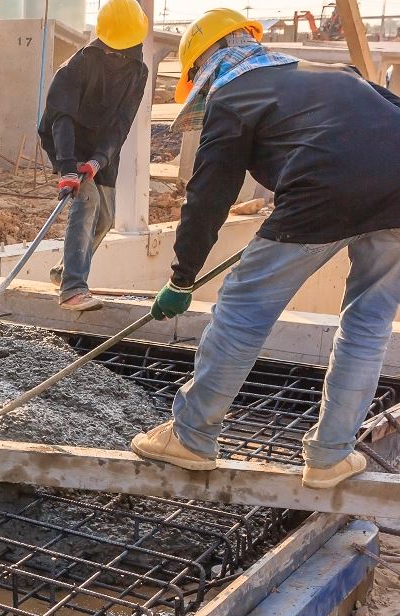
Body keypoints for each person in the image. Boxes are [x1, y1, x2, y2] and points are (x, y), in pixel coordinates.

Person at [130, 9, 400, 489]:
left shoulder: (232, 96)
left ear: (205, 65)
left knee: (242, 309)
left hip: (323, 192)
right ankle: (331, 457)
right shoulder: (333, 75)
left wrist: (182, 278)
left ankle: (191, 437)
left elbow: (208, 196)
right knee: (368, 323)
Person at [37, 0, 149, 313]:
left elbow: (122, 122)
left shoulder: (138, 70)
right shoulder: (78, 65)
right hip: (67, 139)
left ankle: (63, 271)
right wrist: (68, 168)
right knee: (86, 202)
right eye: (114, 49)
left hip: (102, 144)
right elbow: (62, 119)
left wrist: (100, 159)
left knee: (107, 216)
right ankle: (73, 288)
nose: (119, 55)